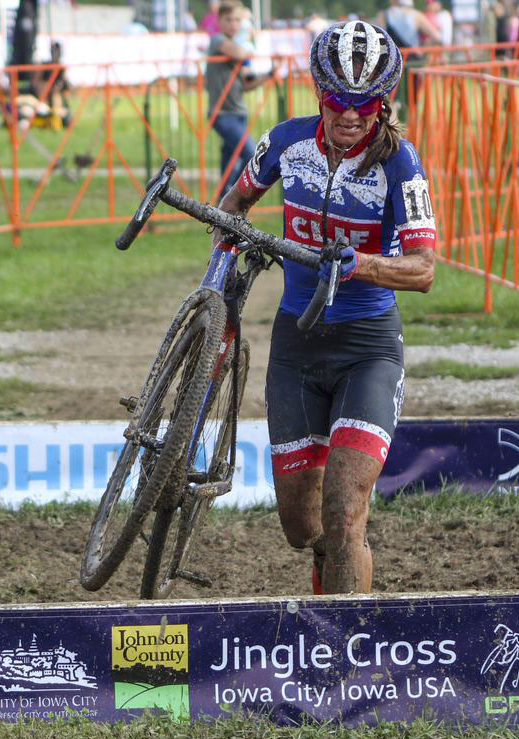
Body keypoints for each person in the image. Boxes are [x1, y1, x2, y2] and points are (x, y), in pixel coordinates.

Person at [216, 21, 434, 595]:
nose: (352, 115)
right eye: (340, 100)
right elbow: (235, 200)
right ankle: (329, 569)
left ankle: (350, 660)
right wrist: (224, 259)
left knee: (344, 513)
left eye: (368, 104)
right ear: (320, 94)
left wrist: (355, 264)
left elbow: (424, 268)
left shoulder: (400, 165)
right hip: (297, 345)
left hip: (367, 348)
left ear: (384, 105)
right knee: (302, 526)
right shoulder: (286, 142)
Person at [205, 2, 272, 201]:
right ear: (220, 21)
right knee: (252, 155)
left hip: (238, 113)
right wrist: (250, 36)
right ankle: (231, 199)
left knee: (229, 165)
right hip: (222, 114)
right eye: (229, 20)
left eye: (237, 20)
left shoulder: (234, 47)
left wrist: (268, 75)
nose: (233, 24)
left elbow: (246, 84)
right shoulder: (218, 41)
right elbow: (243, 53)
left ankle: (221, 205)